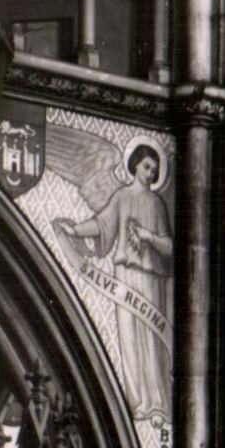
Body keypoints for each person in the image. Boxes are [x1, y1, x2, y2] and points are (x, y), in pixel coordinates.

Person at [59, 144, 173, 422]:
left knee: (151, 338)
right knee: (129, 338)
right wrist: (75, 229)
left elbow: (169, 246)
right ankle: (137, 402)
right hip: (125, 273)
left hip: (150, 276)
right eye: (147, 167)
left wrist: (150, 237)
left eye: (155, 170)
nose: (151, 173)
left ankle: (157, 401)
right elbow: (102, 224)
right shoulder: (121, 196)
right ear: (135, 166)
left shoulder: (157, 204)